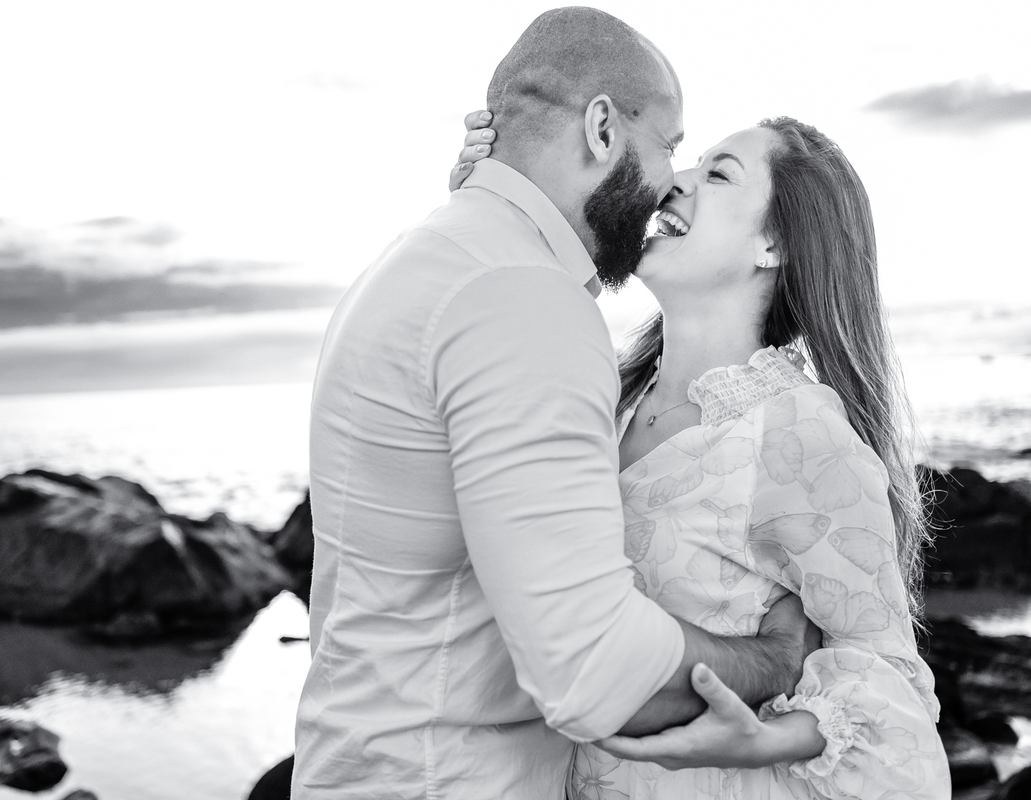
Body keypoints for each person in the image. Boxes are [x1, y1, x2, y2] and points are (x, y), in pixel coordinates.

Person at [293, 8, 822, 800]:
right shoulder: (519, 297)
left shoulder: (429, 257)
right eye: (671, 147)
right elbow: (591, 669)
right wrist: (772, 661)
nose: (668, 182)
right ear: (603, 129)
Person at [452, 112, 951, 797]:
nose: (673, 183)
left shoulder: (797, 431)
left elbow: (890, 680)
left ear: (773, 241)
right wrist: (491, 201)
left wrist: (766, 739)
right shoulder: (601, 392)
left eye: (717, 174)